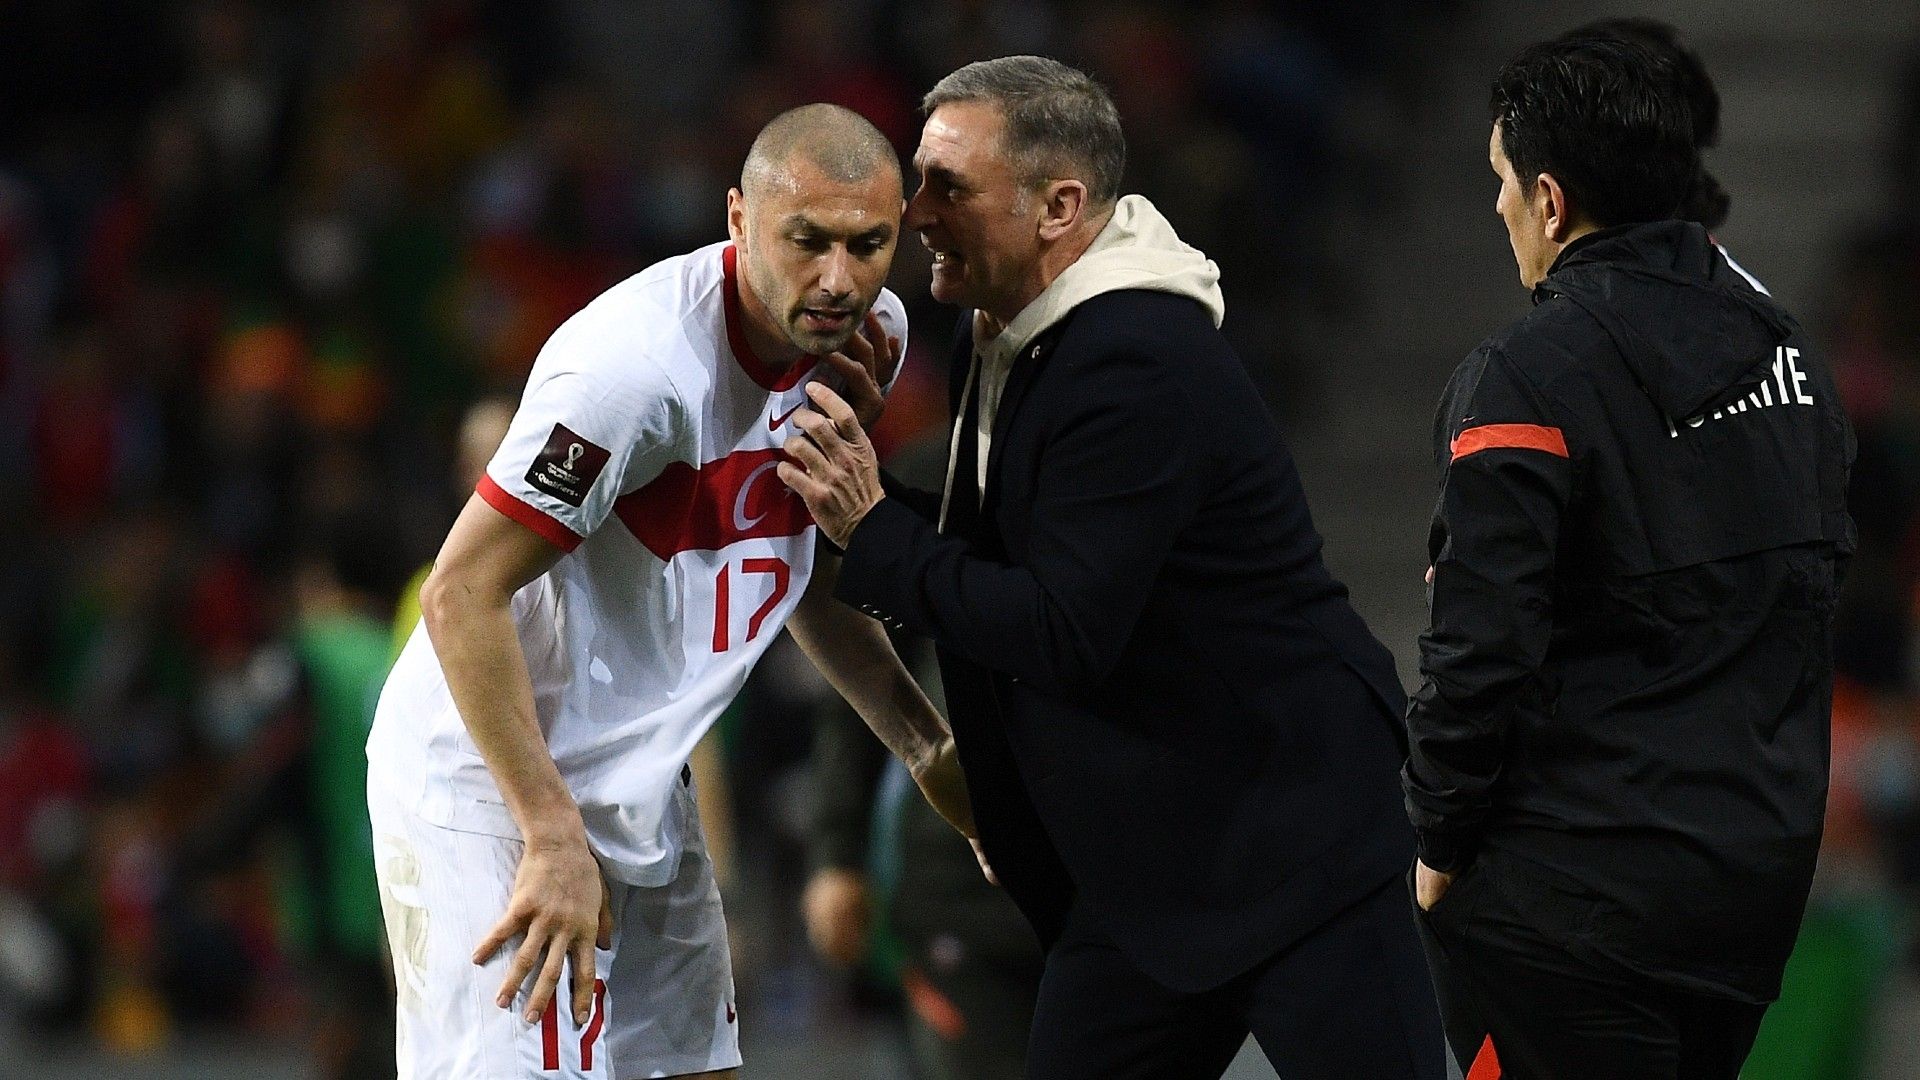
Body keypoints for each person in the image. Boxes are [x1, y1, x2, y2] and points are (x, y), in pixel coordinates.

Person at [780, 56, 1444, 1080]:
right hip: (1146, 866)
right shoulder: (1010, 335)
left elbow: (1060, 631)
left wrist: (872, 527)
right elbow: (997, 561)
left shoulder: (1134, 359)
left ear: (1061, 206)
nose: (916, 212)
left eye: (949, 185)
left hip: (1291, 843)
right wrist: (863, 495)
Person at [365, 102, 973, 1080]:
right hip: (494, 782)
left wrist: (925, 744)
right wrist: (549, 831)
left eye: (867, 245)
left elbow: (792, 567)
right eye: (806, 241)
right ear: (738, 220)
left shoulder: (872, 340)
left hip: (638, 772)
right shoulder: (632, 375)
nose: (838, 278)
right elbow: (458, 595)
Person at [1403, 35, 1854, 1079]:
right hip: (1746, 900)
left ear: (1550, 202)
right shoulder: (1798, 364)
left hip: (1570, 906)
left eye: (1502, 182)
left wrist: (1435, 842)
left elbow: (1479, 649)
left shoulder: (1526, 378)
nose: (1499, 208)